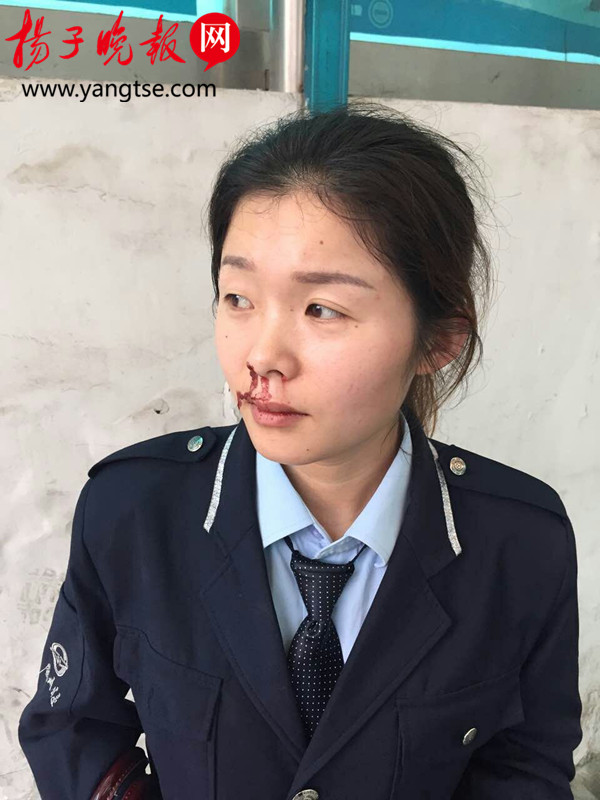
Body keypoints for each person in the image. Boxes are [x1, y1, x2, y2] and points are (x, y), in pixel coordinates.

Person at [18, 100, 583, 799]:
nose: (262, 356)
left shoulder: (519, 543)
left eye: (322, 309)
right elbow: (70, 728)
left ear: (438, 340)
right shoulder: (134, 510)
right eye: (238, 297)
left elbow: (525, 765)